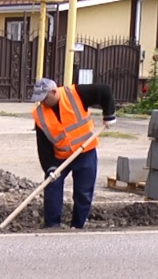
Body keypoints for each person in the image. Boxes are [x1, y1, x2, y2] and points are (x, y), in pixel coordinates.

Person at [29, 77, 116, 230]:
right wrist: (49, 167)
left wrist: (108, 115)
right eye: (39, 99)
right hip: (60, 157)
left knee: (83, 192)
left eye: (44, 98)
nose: (42, 102)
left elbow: (105, 91)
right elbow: (43, 146)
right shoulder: (40, 115)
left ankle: (78, 225)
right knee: (52, 187)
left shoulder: (75, 94)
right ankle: (52, 225)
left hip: (85, 152)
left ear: (54, 92)